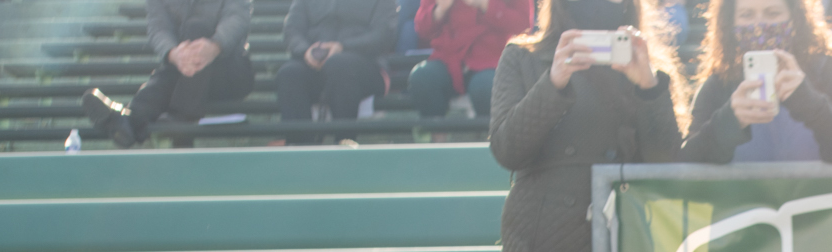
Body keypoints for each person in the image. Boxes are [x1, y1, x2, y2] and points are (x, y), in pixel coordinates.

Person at [491, 0, 685, 252]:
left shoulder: (649, 67)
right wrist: (554, 82)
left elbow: (667, 166)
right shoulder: (523, 57)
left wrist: (648, 88)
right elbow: (507, 149)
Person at [680, 0, 832, 164]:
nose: (759, 26)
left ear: (795, 18)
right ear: (730, 23)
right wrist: (729, 121)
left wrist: (811, 105)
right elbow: (688, 163)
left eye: (772, 13)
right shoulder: (719, 83)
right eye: (747, 15)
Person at [80, 0, 256, 148]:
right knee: (173, 68)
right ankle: (134, 121)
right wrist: (173, 54)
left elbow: (237, 18)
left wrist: (215, 46)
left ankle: (136, 117)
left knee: (196, 28)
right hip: (180, 74)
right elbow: (158, 28)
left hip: (229, 73)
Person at [279, 0, 399, 142]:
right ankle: (299, 148)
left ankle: (344, 142)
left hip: (365, 65)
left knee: (339, 65)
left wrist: (342, 47)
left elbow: (383, 35)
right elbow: (292, 30)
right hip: (315, 63)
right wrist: (306, 50)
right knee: (289, 74)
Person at [410, 0, 534, 121]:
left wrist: (486, 4)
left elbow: (524, 25)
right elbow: (421, 28)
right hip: (449, 58)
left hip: (493, 59)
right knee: (422, 77)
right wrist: (439, 10)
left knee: (485, 87)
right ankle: (437, 138)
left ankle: (494, 138)